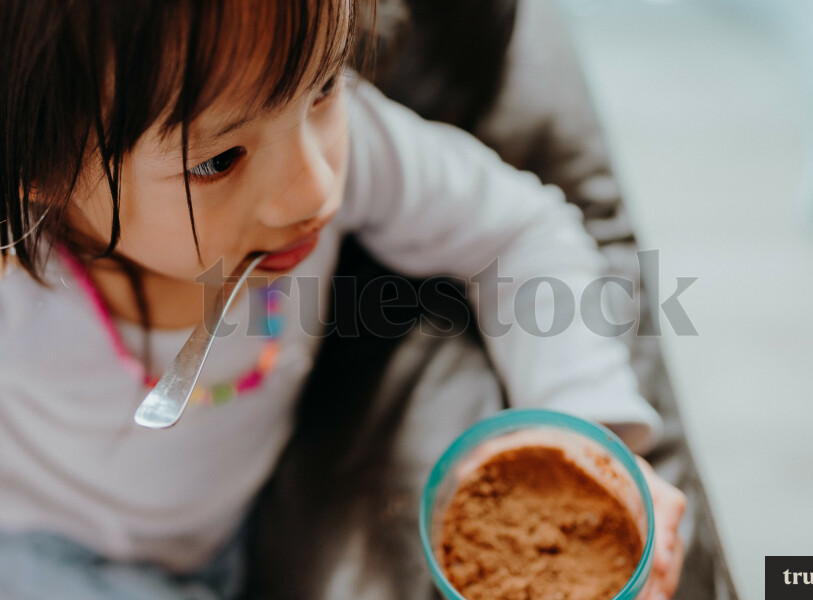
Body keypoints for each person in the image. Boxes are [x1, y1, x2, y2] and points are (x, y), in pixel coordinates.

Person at [0, 0, 685, 598]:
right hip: (44, 549)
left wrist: (579, 422)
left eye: (325, 86)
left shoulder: (325, 140)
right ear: (39, 167)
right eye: (217, 160)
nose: (317, 189)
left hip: (242, 528)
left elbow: (522, 233)